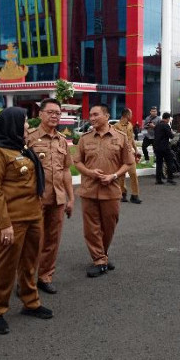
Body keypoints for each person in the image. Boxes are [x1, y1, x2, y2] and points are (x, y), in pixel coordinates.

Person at [0, 107, 52, 335]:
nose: (26, 126)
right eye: (23, 122)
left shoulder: (20, 148)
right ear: (12, 124)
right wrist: (4, 224)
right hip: (12, 220)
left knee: (30, 262)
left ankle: (30, 302)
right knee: (5, 267)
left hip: (33, 215)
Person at [73, 104, 134, 278]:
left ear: (106, 116)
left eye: (96, 115)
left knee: (109, 225)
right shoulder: (85, 138)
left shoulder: (121, 137)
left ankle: (103, 256)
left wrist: (114, 175)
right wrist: (90, 173)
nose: (91, 118)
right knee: (91, 228)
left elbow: (128, 163)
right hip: (89, 189)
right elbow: (77, 162)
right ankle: (99, 260)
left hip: (111, 189)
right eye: (90, 115)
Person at [26, 98, 74, 294]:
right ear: (40, 114)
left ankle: (45, 276)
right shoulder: (29, 138)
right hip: (35, 198)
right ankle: (26, 278)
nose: (55, 116)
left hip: (58, 198)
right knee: (32, 241)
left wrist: (71, 198)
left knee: (52, 241)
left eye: (58, 112)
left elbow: (65, 171)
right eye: (51, 112)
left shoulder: (62, 140)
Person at [114, 108, 142, 204]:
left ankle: (135, 195)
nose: (132, 116)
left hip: (130, 153)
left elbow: (132, 138)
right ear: (126, 115)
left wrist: (136, 150)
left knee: (133, 174)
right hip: (121, 155)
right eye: (131, 114)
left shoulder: (130, 125)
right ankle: (123, 193)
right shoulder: (116, 126)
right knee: (121, 175)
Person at [153, 113, 177, 185]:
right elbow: (171, 136)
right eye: (169, 119)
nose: (169, 120)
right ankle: (170, 178)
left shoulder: (157, 125)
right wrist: (173, 133)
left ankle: (158, 179)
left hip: (157, 147)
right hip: (165, 147)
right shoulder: (166, 125)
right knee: (169, 162)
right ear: (167, 119)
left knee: (159, 163)